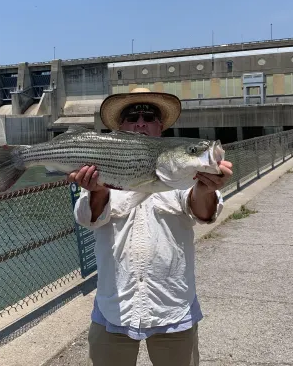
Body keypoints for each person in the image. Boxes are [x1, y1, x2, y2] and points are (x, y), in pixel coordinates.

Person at [69, 87, 233, 366]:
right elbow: (87, 218)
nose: (141, 123)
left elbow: (204, 213)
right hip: (114, 305)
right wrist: (97, 190)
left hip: (172, 305)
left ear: (161, 126)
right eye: (132, 117)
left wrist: (206, 188)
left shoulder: (181, 169)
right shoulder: (102, 164)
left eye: (149, 117)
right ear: (120, 127)